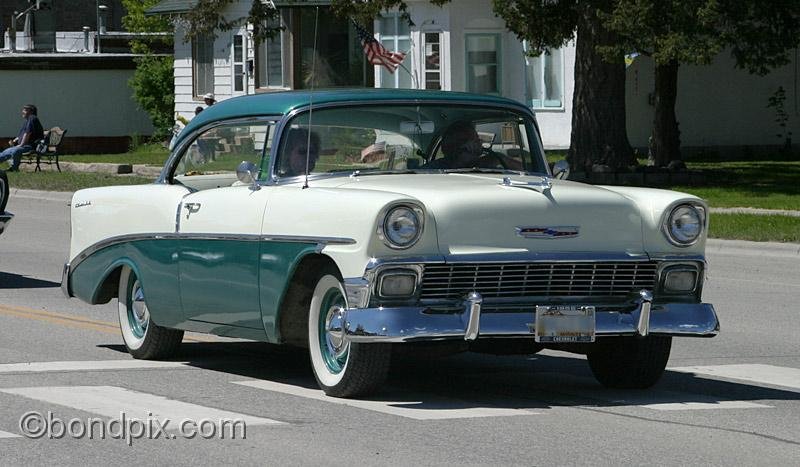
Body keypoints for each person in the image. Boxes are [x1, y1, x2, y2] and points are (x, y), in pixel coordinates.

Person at [422, 120, 522, 170]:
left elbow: (528, 173)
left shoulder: (488, 165)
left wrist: (501, 158)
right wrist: (462, 160)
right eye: (466, 140)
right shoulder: (434, 169)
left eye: (476, 139)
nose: (478, 142)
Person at [1, 104, 44, 172]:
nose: (22, 111)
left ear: (31, 111)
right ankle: (13, 168)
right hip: (25, 145)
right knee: (5, 152)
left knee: (15, 151)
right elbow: (23, 134)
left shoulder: (32, 118)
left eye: (25, 110)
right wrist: (15, 141)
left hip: (30, 146)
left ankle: (14, 168)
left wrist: (21, 145)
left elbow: (28, 133)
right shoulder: (28, 121)